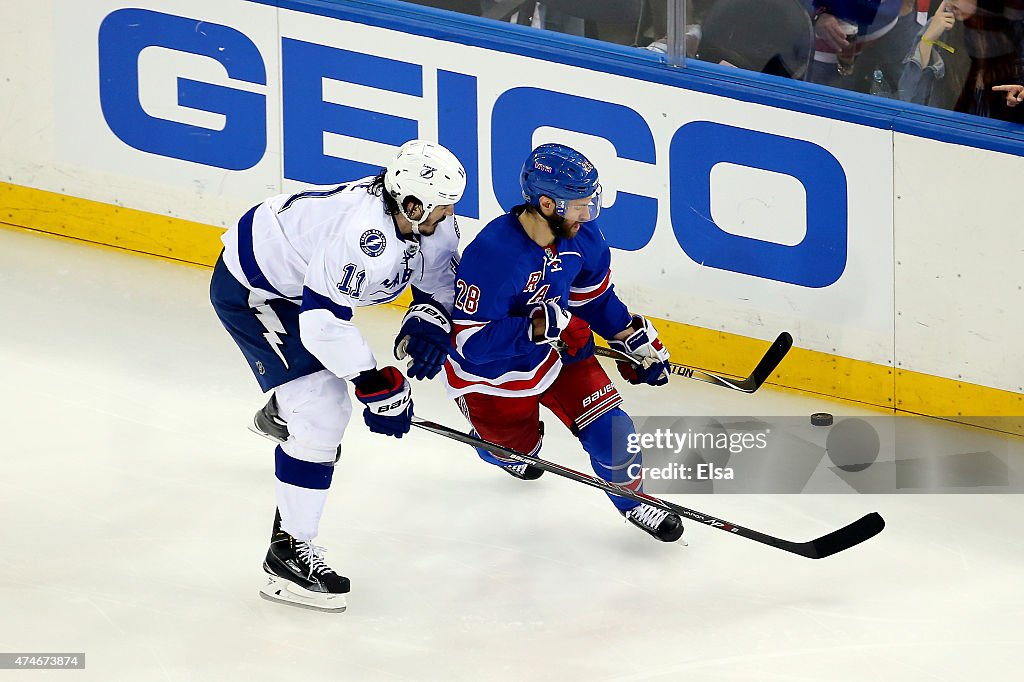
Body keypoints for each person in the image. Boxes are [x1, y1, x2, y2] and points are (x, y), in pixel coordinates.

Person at [210, 140, 466, 611]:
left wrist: (427, 319)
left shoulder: (426, 219)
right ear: (410, 204)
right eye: (438, 210)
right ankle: (285, 557)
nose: (445, 219)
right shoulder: (363, 233)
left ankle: (284, 408)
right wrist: (374, 383)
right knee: (323, 411)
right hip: (257, 291)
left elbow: (437, 283)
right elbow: (322, 325)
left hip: (299, 286)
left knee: (317, 408)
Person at [442, 143, 684, 542]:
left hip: (559, 355)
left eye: (590, 202)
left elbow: (594, 298)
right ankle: (495, 449)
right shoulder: (493, 255)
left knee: (615, 436)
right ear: (547, 203)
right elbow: (471, 342)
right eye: (579, 205)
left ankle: (634, 500)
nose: (587, 214)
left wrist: (629, 335)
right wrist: (542, 325)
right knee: (514, 448)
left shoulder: (582, 236)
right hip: (493, 375)